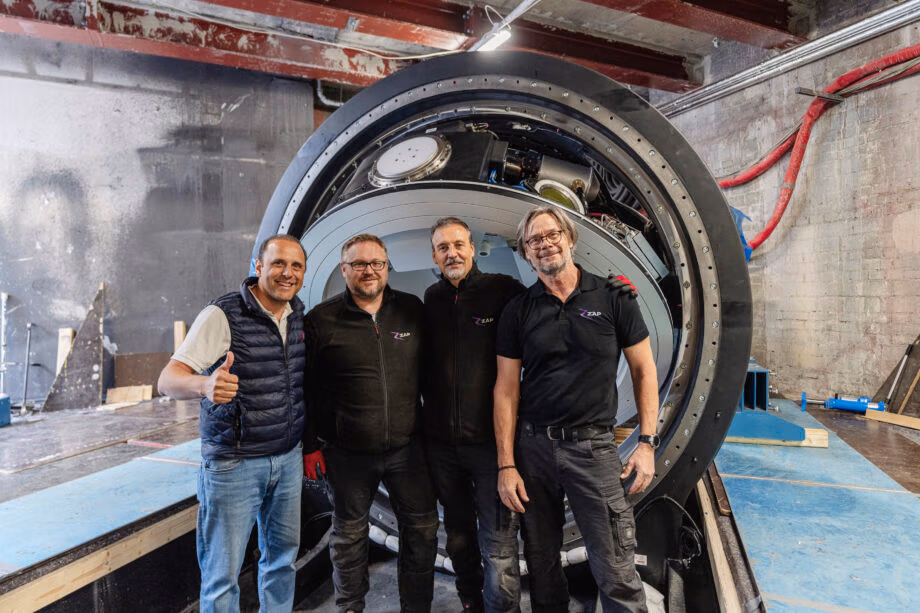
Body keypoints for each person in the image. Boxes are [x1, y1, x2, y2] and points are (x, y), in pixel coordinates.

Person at [493, 206, 659, 613]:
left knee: (615, 564)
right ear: (526, 253)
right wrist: (506, 464)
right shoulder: (519, 310)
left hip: (594, 450)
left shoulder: (613, 297)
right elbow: (506, 390)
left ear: (569, 239)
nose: (545, 244)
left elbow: (644, 371)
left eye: (552, 235)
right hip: (533, 450)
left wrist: (647, 443)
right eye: (534, 240)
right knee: (541, 563)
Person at [158, 234, 307, 612]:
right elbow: (168, 380)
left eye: (296, 266)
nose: (287, 273)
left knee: (281, 562)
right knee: (222, 577)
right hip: (235, 464)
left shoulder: (296, 313)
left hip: (287, 459)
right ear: (258, 266)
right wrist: (204, 385)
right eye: (278, 263)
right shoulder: (223, 314)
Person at [302, 233, 439, 613]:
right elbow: (306, 389)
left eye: (376, 263)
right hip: (346, 454)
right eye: (359, 264)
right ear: (344, 269)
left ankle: (417, 607)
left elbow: (431, 375)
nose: (369, 271)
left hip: (407, 450)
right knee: (348, 537)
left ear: (386, 266)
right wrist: (310, 445)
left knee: (422, 531)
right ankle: (350, 607)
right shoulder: (321, 320)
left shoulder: (411, 310)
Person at [421, 217, 526, 613]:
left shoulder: (503, 290)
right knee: (458, 538)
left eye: (458, 245)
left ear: (472, 248)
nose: (452, 253)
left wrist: (607, 292)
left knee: (498, 545)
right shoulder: (431, 298)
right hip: (442, 448)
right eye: (443, 248)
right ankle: (471, 602)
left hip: (490, 447)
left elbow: (548, 306)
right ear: (434, 256)